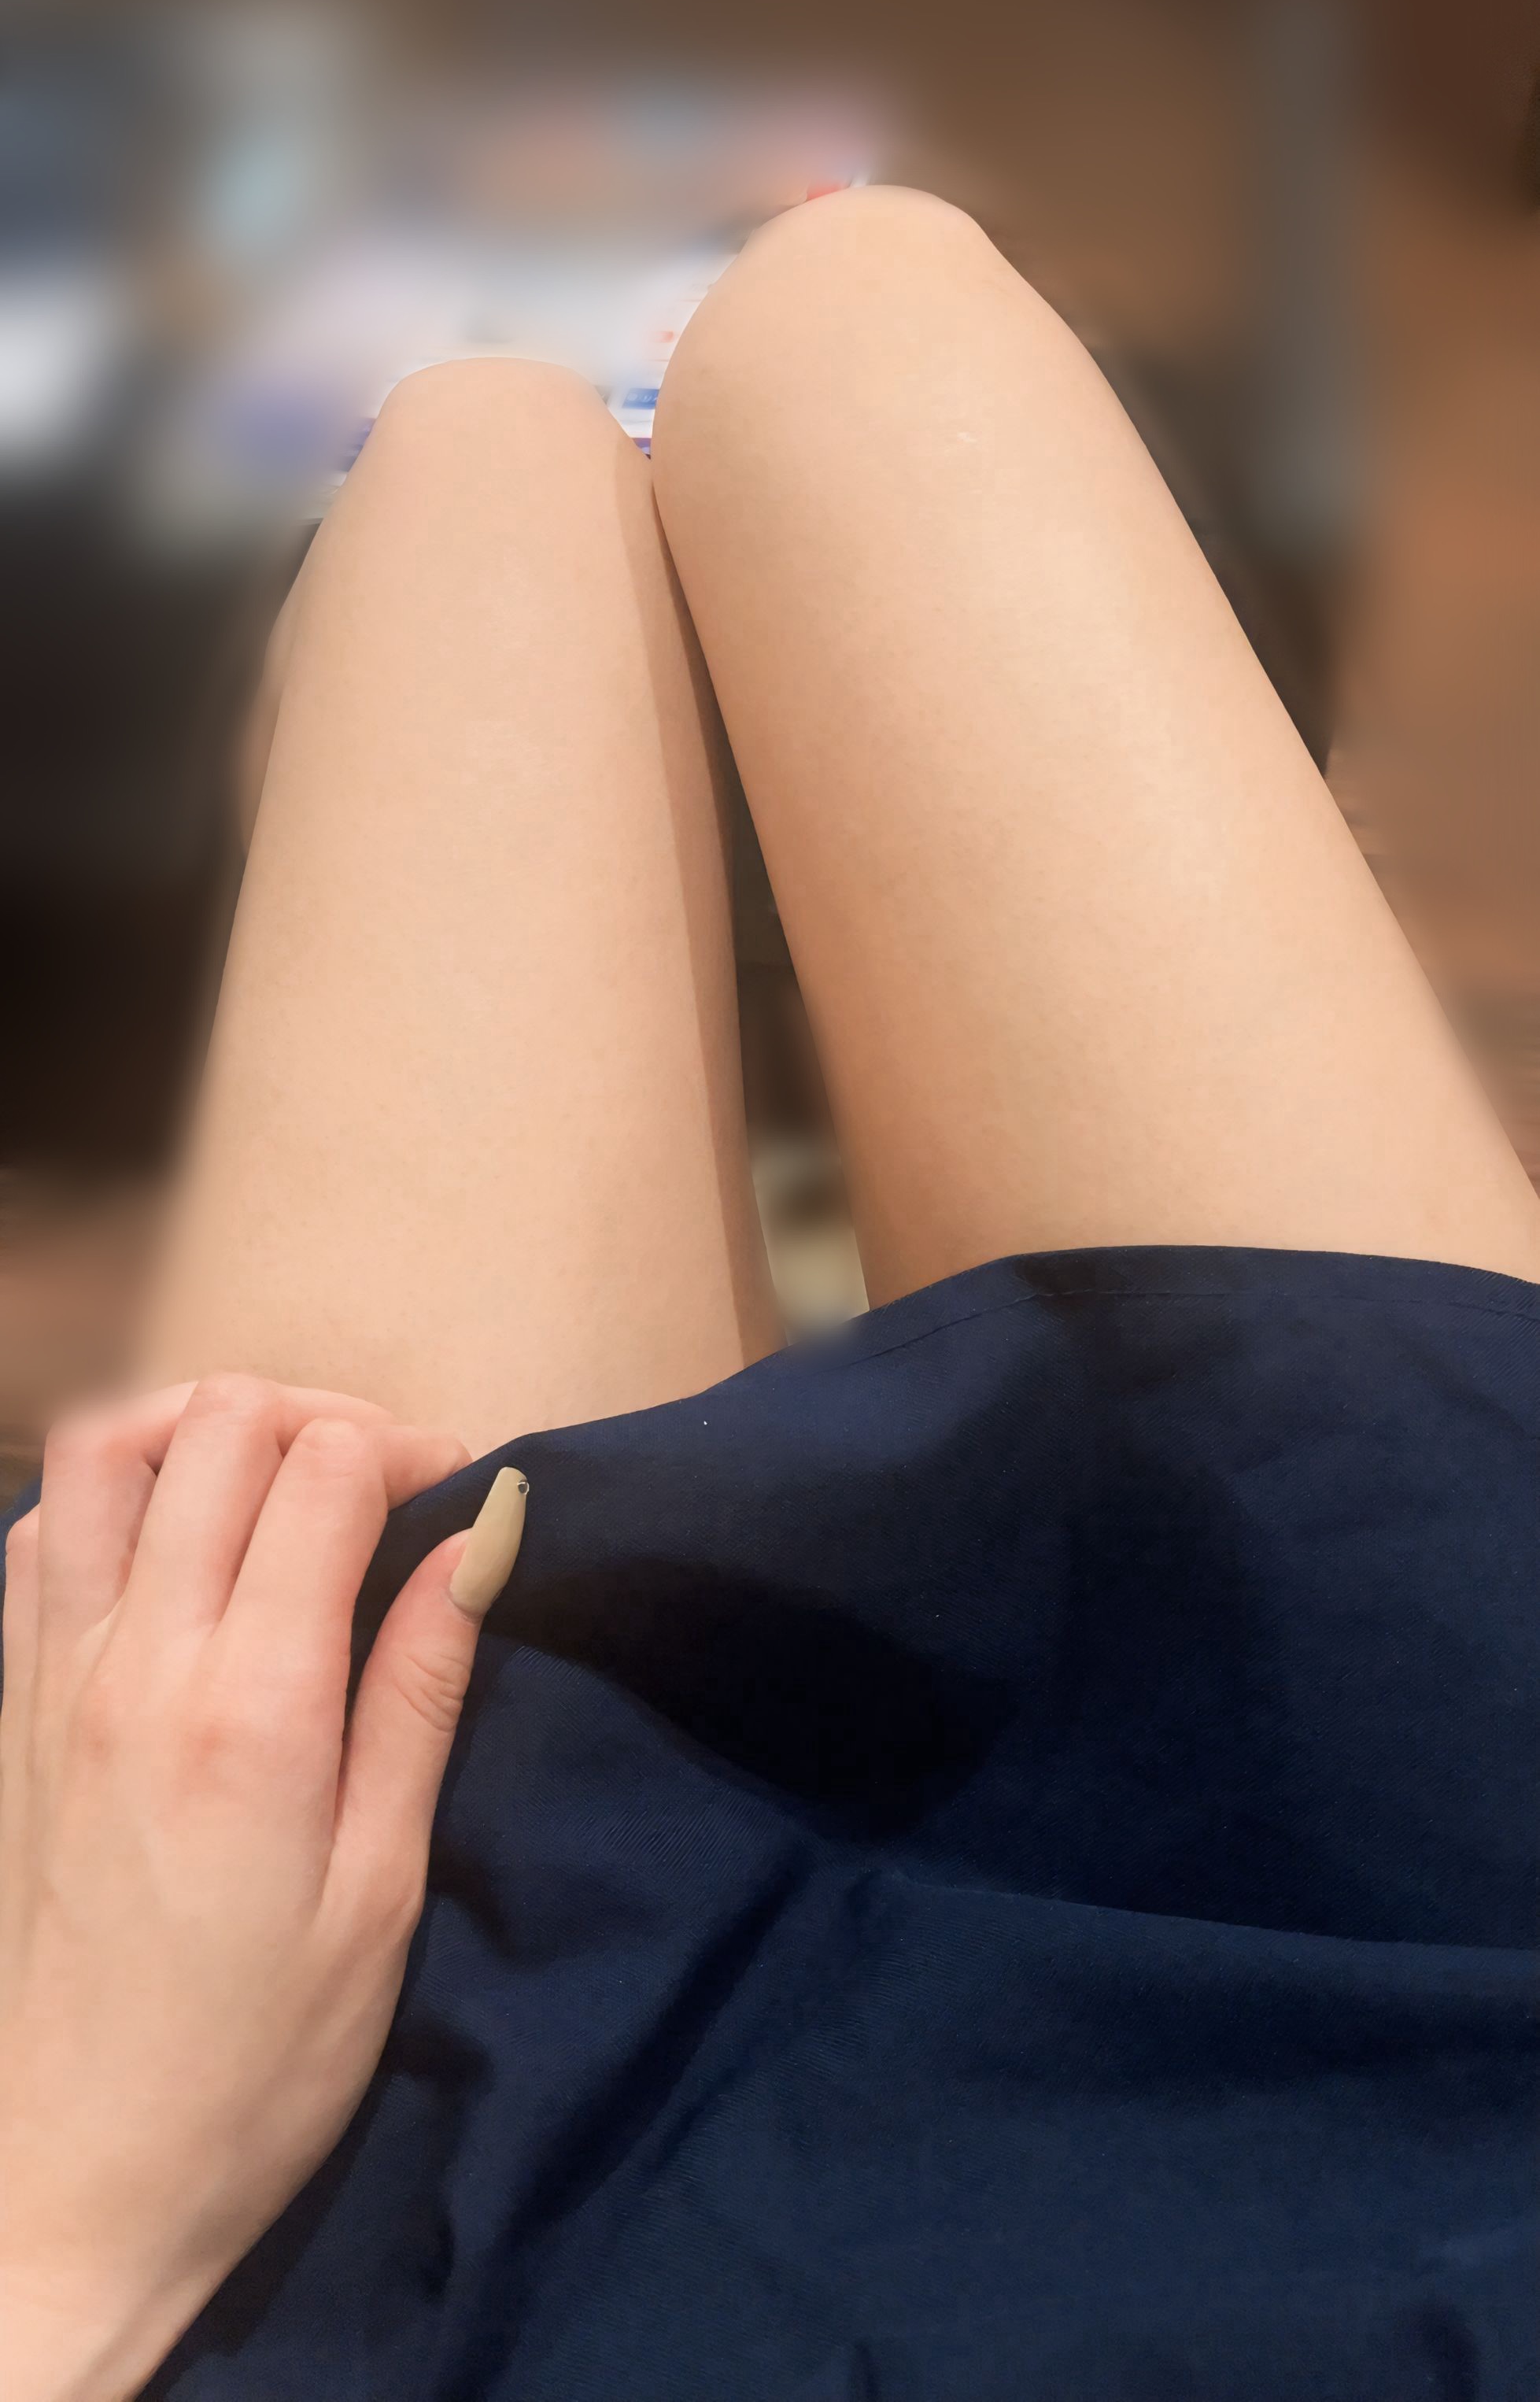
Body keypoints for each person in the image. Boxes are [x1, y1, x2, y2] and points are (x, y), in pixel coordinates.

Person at [2, 189, 1535, 2402]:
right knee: (858, 312)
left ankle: (538, 376)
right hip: (1464, 2039)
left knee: (485, 463)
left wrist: (58, 2224)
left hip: (430, 2227)